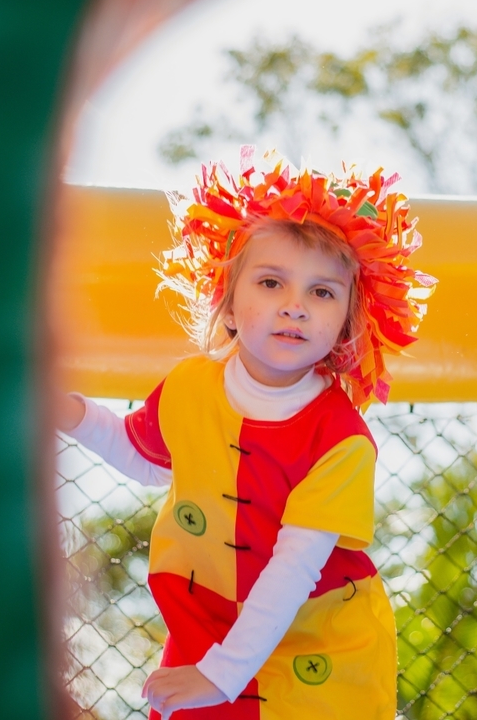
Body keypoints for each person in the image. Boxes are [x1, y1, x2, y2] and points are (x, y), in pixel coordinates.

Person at [56, 148, 434, 719]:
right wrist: (72, 413)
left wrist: (221, 675)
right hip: (208, 625)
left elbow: (294, 570)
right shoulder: (190, 384)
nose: (296, 308)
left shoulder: (341, 439)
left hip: (317, 645)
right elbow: (148, 458)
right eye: (271, 282)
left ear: (348, 323)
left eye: (322, 293)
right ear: (229, 303)